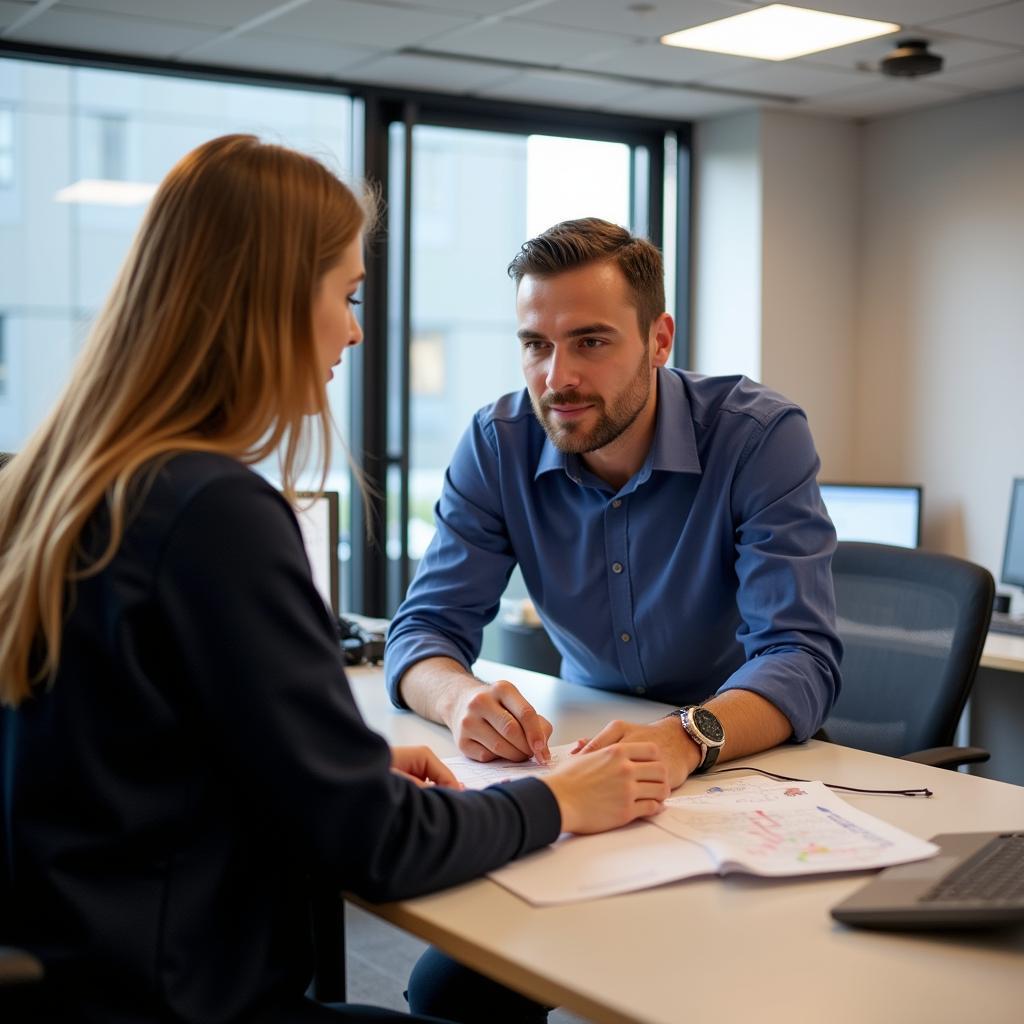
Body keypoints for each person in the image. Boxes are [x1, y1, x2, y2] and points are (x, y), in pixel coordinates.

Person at [0, 138, 672, 1024]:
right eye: (346, 296)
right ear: (271, 301)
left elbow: (116, 752)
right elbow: (377, 847)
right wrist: (554, 802)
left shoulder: (59, 483)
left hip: (80, 974)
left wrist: (317, 769)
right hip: (181, 998)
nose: (355, 330)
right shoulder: (213, 512)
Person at [388, 217, 843, 1021]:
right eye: (535, 344)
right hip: (586, 770)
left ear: (659, 338)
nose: (556, 376)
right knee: (448, 991)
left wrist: (682, 739)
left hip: (738, 770)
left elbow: (799, 655)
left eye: (591, 341)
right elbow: (423, 632)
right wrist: (459, 700)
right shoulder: (498, 443)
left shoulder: (758, 438)